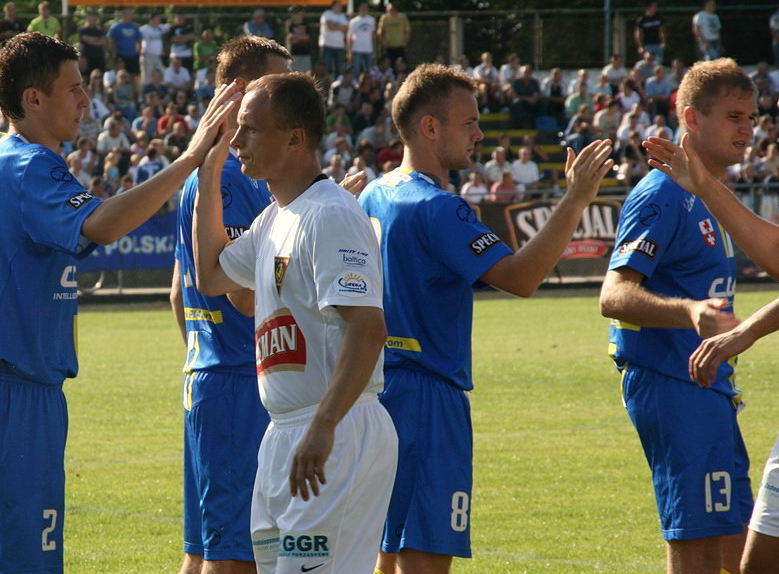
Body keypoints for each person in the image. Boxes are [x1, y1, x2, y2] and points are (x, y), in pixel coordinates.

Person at [0, 30, 242, 574]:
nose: (86, 101)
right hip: (16, 399)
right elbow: (102, 226)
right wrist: (192, 158)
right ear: (33, 100)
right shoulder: (29, 167)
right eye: (74, 89)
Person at [356, 63, 612, 574]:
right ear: (431, 127)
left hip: (376, 391)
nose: (478, 133)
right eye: (469, 122)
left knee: (384, 555)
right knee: (425, 557)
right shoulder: (439, 207)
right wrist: (576, 198)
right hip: (428, 395)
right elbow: (521, 277)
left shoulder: (373, 193)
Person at [192, 70, 397, 574]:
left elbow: (368, 328)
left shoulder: (330, 215)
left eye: (249, 129)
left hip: (335, 427)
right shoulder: (275, 217)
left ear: (294, 137)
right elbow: (211, 275)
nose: (236, 139)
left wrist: (325, 425)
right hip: (284, 431)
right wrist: (207, 175)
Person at [599, 58, 758, 574]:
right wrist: (690, 311)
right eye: (734, 116)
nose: (748, 129)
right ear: (692, 119)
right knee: (698, 544)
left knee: (739, 541)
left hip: (711, 388)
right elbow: (614, 294)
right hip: (672, 383)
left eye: (752, 117)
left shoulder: (713, 194)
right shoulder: (663, 192)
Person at [169, 33, 293, 574]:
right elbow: (244, 295)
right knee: (235, 556)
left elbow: (179, 290)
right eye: (277, 84)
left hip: (210, 378)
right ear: (241, 91)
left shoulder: (202, 171)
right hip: (241, 382)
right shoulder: (237, 178)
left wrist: (202, 352)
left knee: (203, 552)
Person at [108, 9, 143, 87]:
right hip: (121, 55)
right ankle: (118, 93)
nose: (130, 17)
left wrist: (139, 50)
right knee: (121, 75)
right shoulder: (116, 27)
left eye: (131, 15)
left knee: (132, 76)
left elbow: (139, 39)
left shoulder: (135, 27)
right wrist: (114, 53)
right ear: (123, 15)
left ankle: (133, 95)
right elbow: (111, 40)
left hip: (133, 55)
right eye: (128, 14)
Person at [319, 0, 349, 81]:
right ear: (333, 6)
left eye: (340, 6)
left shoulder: (342, 16)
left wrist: (335, 25)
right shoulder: (327, 13)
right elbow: (330, 26)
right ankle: (324, 87)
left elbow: (346, 28)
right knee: (325, 68)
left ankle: (337, 88)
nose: (339, 7)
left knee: (339, 69)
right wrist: (340, 27)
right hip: (327, 45)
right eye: (337, 5)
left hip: (340, 46)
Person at [140, 12, 171, 86]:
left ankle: (160, 92)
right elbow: (139, 39)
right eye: (157, 19)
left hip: (158, 56)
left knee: (163, 72)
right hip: (148, 55)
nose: (159, 21)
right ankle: (144, 95)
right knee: (148, 76)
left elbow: (170, 27)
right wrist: (142, 48)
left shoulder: (160, 28)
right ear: (151, 20)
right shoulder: (144, 29)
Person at [348, 2, 376, 80]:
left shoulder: (371, 20)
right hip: (357, 49)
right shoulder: (354, 21)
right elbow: (350, 36)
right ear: (359, 8)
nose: (364, 9)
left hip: (368, 49)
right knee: (356, 70)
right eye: (363, 8)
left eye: (366, 8)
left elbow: (373, 33)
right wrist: (350, 51)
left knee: (369, 70)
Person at [286, 8, 312, 74]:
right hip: (294, 52)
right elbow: (290, 38)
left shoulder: (306, 25)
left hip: (305, 51)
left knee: (305, 72)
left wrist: (296, 37)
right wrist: (301, 37)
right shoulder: (291, 25)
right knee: (293, 71)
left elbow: (307, 37)